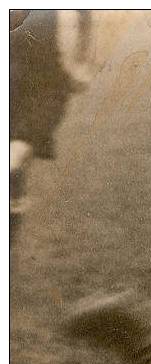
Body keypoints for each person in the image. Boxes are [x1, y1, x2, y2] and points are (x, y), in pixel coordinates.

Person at [10, 9, 94, 241]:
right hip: (17, 88)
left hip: (44, 93)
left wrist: (78, 74)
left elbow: (76, 57)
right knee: (14, 161)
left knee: (14, 158)